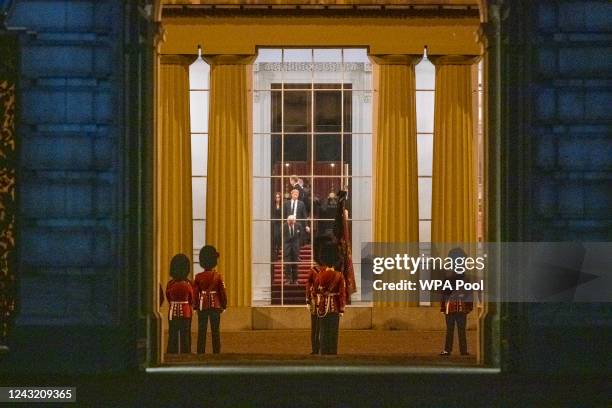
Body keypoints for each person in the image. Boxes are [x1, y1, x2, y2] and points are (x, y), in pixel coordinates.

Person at [313, 235, 346, 355]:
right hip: (335, 307)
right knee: (333, 331)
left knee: (323, 330)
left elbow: (314, 290)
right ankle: (333, 351)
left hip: (322, 306)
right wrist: (342, 309)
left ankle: (324, 350)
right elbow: (342, 294)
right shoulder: (339, 275)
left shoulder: (320, 275)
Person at [193, 245, 227, 354]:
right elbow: (222, 292)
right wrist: (224, 305)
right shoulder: (218, 276)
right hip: (215, 305)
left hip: (203, 305)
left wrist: (195, 306)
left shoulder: (198, 276)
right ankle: (216, 351)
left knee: (201, 331)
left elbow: (195, 293)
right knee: (215, 331)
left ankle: (200, 351)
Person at [440, 247, 473, 356]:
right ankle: (463, 350)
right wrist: (469, 305)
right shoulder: (465, 277)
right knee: (461, 330)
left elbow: (444, 293)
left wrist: (443, 307)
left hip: (451, 306)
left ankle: (448, 350)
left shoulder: (448, 276)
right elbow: (469, 292)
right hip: (461, 306)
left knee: (451, 329)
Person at [165, 254, 194, 354]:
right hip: (186, 312)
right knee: (185, 335)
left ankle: (171, 352)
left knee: (172, 334)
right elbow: (191, 298)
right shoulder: (189, 284)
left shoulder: (170, 284)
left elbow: (168, 296)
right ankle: (186, 352)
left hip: (172, 312)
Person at [283, 215, 303, 284]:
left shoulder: (298, 225)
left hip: (295, 247)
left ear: (294, 221)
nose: (291, 223)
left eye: (292, 222)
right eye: (289, 221)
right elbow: (281, 236)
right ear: (287, 221)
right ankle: (288, 279)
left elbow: (301, 235)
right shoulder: (284, 226)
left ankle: (295, 280)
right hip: (287, 248)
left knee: (295, 264)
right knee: (287, 264)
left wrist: (297, 244)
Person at [271, 192, 283, 259]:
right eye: (276, 197)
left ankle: (278, 252)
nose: (277, 199)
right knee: (275, 237)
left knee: (279, 238)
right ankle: (275, 253)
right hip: (275, 223)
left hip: (280, 223)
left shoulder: (282, 205)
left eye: (279, 197)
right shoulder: (273, 205)